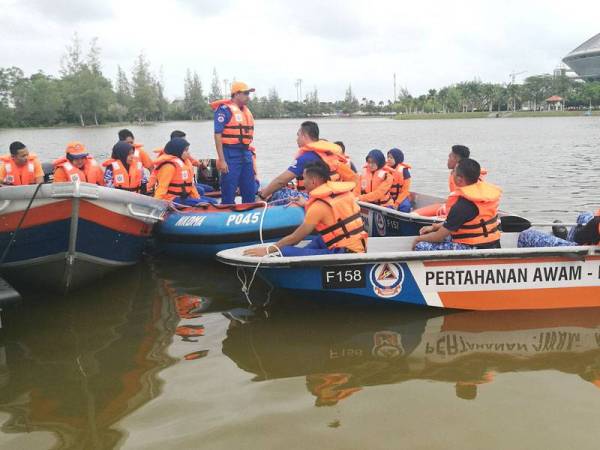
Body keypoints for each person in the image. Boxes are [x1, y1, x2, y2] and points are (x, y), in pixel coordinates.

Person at [244, 160, 367, 257]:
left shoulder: (318, 206)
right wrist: (306, 203)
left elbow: (295, 238)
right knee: (320, 240)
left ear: (313, 181)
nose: (303, 181)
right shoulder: (344, 193)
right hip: (359, 245)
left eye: (304, 178)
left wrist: (268, 250)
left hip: (345, 253)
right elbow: (331, 213)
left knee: (285, 251)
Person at [413, 158, 502, 251]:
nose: (452, 173)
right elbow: (462, 221)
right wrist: (435, 227)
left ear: (459, 179)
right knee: (442, 236)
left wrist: (417, 239)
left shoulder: (462, 205)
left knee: (420, 245)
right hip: (493, 244)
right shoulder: (485, 197)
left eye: (454, 171)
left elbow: (438, 237)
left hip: (474, 248)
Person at [258, 121, 357, 202]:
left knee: (276, 192)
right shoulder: (328, 153)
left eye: (298, 136)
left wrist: (262, 196)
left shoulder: (307, 157)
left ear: (304, 136)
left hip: (318, 198)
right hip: (334, 195)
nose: (297, 139)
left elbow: (281, 181)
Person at [212, 81, 256, 204]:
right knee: (229, 187)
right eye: (246, 93)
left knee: (249, 187)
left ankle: (249, 210)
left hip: (245, 153)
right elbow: (217, 134)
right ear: (236, 94)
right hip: (230, 153)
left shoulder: (246, 111)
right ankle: (226, 212)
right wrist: (221, 160)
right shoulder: (224, 110)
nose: (248, 96)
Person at [152, 137, 200, 204]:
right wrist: (156, 204)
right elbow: (162, 187)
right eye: (186, 150)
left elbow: (191, 185)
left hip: (183, 196)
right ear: (178, 151)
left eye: (188, 150)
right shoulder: (169, 167)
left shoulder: (184, 163)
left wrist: (197, 198)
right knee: (205, 202)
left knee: (212, 202)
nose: (188, 153)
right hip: (172, 199)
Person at [518, 210, 599, 248]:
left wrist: (588, 227)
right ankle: (565, 240)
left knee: (525, 235)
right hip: (591, 239)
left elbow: (579, 238)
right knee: (585, 215)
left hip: (583, 250)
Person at [387, 148, 412, 212]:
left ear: (397, 159)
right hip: (389, 197)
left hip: (401, 197)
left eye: (391, 158)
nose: (389, 159)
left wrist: (397, 203)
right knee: (387, 208)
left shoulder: (404, 171)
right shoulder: (384, 169)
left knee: (405, 206)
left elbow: (405, 190)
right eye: (388, 157)